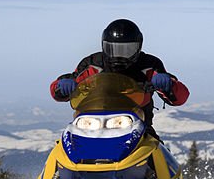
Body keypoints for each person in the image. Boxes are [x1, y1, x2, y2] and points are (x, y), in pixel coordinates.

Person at [49, 19, 189, 136]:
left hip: (136, 126)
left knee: (156, 151)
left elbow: (180, 97)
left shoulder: (149, 65)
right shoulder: (93, 64)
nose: (119, 55)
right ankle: (51, 170)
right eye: (113, 48)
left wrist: (168, 85)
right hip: (92, 124)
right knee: (64, 148)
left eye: (127, 49)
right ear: (104, 46)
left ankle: (166, 169)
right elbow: (61, 87)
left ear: (138, 47)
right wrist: (63, 87)